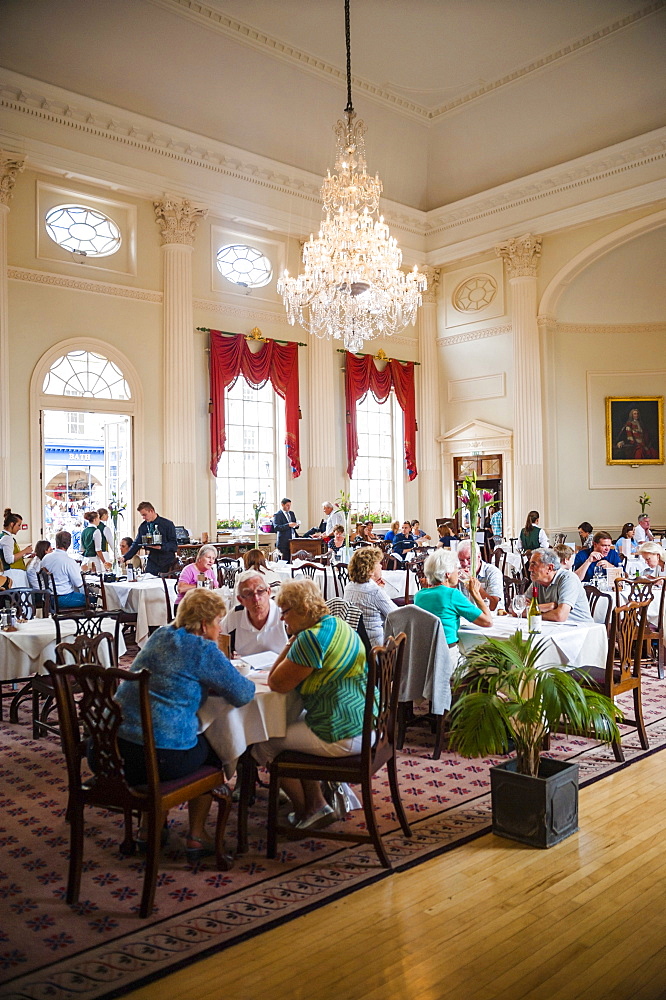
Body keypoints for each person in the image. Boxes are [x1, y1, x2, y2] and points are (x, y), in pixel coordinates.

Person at [113, 589, 255, 860]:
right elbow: (242, 694)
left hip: (115, 751)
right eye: (217, 622)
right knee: (214, 749)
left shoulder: (160, 635)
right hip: (159, 760)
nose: (220, 628)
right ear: (204, 625)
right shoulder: (201, 648)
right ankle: (196, 836)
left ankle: (147, 829)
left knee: (162, 734)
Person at [252, 579, 367, 829]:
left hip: (341, 731)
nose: (282, 619)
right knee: (291, 726)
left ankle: (311, 808)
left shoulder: (310, 639)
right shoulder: (337, 624)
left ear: (303, 608)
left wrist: (290, 642)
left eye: (285, 611)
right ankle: (316, 801)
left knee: (263, 742)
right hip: (366, 723)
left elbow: (275, 683)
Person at [414, 548, 492, 654]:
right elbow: (487, 622)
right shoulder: (452, 594)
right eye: (456, 568)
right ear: (448, 574)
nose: (458, 571)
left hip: (423, 653)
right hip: (446, 652)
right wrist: (476, 594)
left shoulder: (418, 596)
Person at [220, 569, 287, 656]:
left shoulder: (283, 613)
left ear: (269, 592)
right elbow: (219, 640)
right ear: (240, 600)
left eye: (260, 591)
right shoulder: (236, 615)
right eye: (248, 594)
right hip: (246, 668)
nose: (256, 599)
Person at [343, 546, 398, 647]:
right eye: (378, 564)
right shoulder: (375, 591)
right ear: (370, 569)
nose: (381, 566)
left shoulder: (349, 587)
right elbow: (396, 616)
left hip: (354, 643)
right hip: (375, 648)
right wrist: (380, 590)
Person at [522, 548, 593, 624]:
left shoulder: (568, 579)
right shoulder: (538, 581)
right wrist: (548, 606)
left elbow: (560, 616)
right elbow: (517, 610)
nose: (529, 569)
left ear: (550, 568)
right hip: (552, 626)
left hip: (581, 628)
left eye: (534, 564)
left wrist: (533, 612)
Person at [121, 501, 178, 575]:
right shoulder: (143, 527)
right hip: (152, 561)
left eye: (145, 515)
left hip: (167, 561)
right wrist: (125, 557)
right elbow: (136, 543)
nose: (143, 518)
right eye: (142, 515)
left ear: (151, 511)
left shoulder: (167, 524)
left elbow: (173, 545)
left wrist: (161, 547)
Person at [40, 530, 87, 608]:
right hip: (63, 598)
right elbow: (78, 584)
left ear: (56, 542)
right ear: (69, 544)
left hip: (48, 597)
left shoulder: (46, 558)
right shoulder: (69, 561)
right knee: (94, 599)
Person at [456, 539, 503, 612]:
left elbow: (493, 606)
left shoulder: (492, 572)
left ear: (479, 556)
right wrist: (453, 583)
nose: (465, 563)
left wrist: (473, 583)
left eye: (469, 559)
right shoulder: (458, 573)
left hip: (492, 618)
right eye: (461, 560)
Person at [1, 508, 32, 581]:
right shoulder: (7, 538)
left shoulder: (4, 536)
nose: (19, 528)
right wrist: (24, 551)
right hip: (13, 575)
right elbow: (9, 559)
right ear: (12, 524)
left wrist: (24, 555)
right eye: (18, 525)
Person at [273, 498, 300, 562]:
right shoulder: (277, 515)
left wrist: (296, 525)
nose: (289, 507)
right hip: (283, 541)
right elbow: (276, 527)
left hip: (293, 539)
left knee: (294, 559)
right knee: (284, 560)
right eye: (287, 505)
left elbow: (294, 525)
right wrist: (288, 525)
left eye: (290, 505)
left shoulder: (292, 513)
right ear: (282, 505)